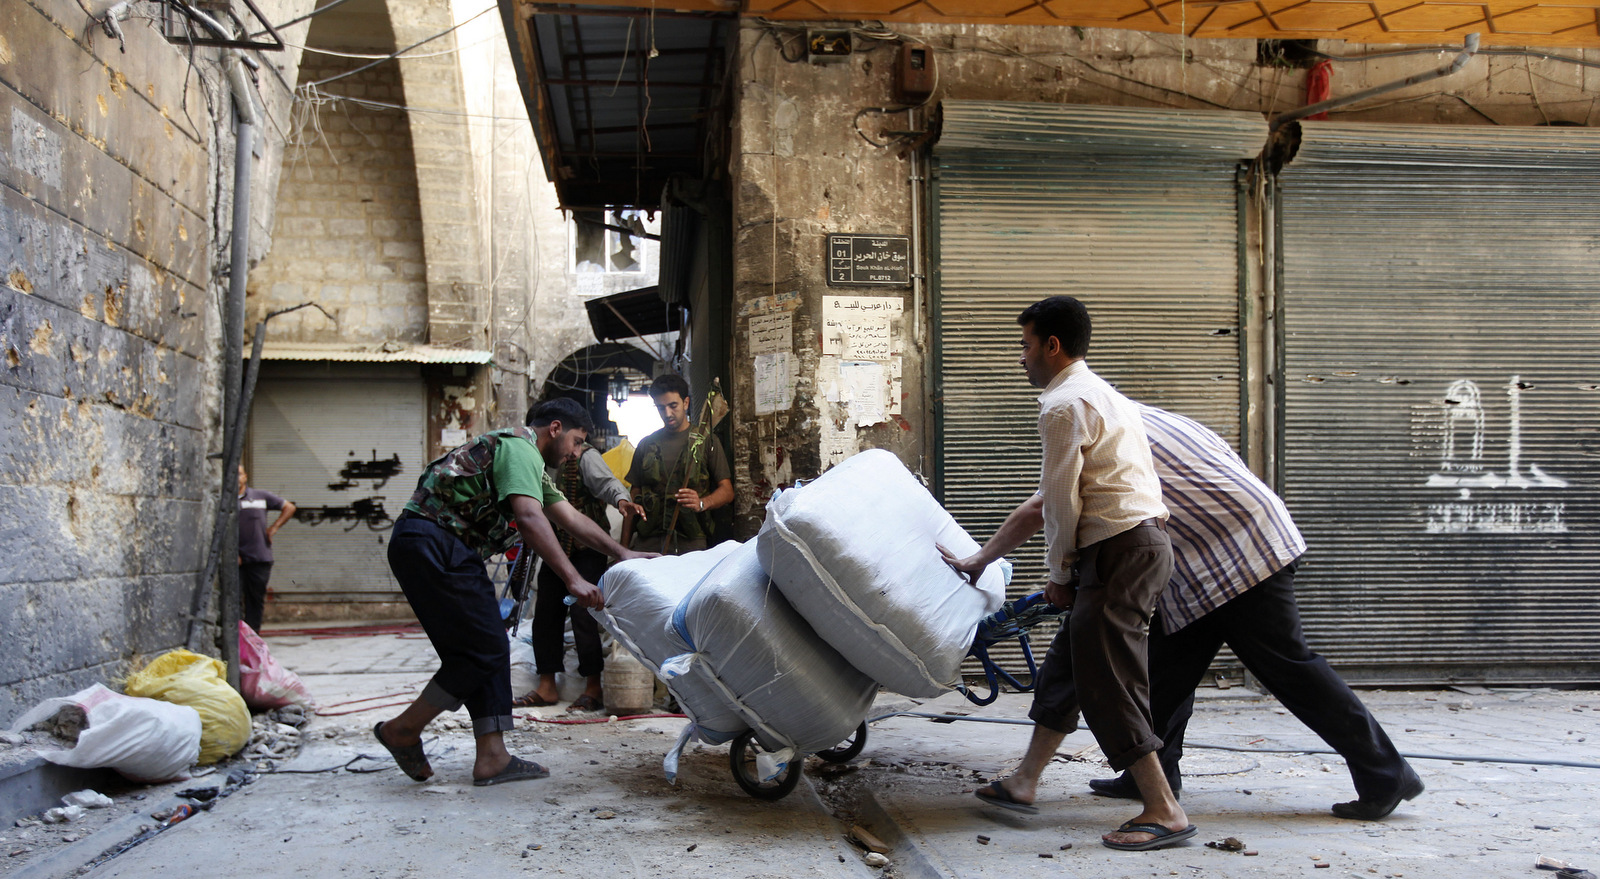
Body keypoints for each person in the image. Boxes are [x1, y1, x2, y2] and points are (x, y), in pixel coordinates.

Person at [1081, 403, 1424, 820]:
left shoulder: (1088, 422)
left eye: (1027, 347)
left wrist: (1050, 570)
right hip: (1209, 557)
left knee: (1291, 668)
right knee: (1163, 668)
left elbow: (1056, 503)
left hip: (1240, 550)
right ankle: (1153, 772)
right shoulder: (1138, 414)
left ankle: (1387, 773)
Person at [940, 295, 1191, 851]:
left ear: (1052, 345)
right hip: (1136, 546)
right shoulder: (1102, 395)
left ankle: (1163, 809)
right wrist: (979, 559)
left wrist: (1060, 572)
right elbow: (1040, 504)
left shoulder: (1062, 405)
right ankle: (1025, 780)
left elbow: (1059, 502)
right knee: (1069, 666)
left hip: (1118, 552)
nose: (1021, 357)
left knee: (1107, 680)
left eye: (1025, 345)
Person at [373, 398, 656, 786]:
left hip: (448, 548)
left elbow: (571, 519)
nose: (576, 453)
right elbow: (528, 517)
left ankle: (491, 756)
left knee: (482, 649)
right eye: (575, 442)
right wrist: (573, 578)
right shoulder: (519, 448)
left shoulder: (533, 470)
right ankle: (403, 730)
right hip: (432, 540)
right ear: (554, 429)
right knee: (482, 649)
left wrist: (622, 552)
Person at [517, 431, 646, 712]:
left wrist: (622, 501)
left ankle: (593, 687)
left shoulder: (586, 457)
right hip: (556, 549)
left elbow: (608, 483)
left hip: (587, 549)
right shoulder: (538, 458)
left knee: (584, 615)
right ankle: (547, 686)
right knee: (546, 614)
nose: (572, 450)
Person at [621, 374, 733, 555]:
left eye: (673, 406)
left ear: (686, 403)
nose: (667, 414)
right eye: (660, 407)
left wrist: (702, 503)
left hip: (690, 542)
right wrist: (623, 549)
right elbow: (634, 497)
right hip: (648, 542)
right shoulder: (646, 445)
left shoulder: (705, 441)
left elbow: (727, 491)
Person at [237, 464, 296, 632]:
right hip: (237, 560)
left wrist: (274, 528)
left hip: (259, 558)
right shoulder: (225, 501)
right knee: (233, 601)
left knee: (255, 600)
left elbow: (289, 507)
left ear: (245, 477)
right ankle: (236, 638)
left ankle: (252, 638)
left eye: (239, 474)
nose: (236, 478)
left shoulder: (260, 496)